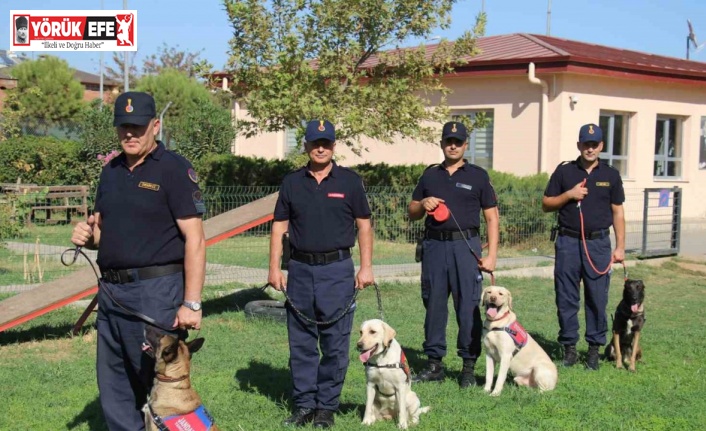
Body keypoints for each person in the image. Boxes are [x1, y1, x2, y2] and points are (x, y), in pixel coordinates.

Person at [70, 92, 206, 430]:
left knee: (160, 384)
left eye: (138, 127)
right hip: (112, 293)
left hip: (156, 291)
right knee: (114, 386)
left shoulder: (174, 169)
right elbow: (102, 233)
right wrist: (88, 236)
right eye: (123, 127)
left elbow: (195, 238)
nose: (130, 134)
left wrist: (191, 302)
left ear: (155, 126)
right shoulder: (111, 171)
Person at [268, 119, 374, 428]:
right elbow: (278, 227)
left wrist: (366, 267)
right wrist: (274, 267)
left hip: (337, 270)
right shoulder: (291, 182)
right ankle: (304, 404)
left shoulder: (350, 182)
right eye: (315, 143)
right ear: (306, 146)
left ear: (334, 145)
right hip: (299, 269)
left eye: (326, 143)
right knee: (301, 342)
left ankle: (326, 407)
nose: (321, 148)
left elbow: (364, 225)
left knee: (335, 343)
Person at [407, 121, 499, 388]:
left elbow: (492, 218)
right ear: (442, 144)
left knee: (468, 306)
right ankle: (434, 364)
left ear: (465, 145)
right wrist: (423, 204)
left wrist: (491, 255)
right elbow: (412, 211)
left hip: (465, 247)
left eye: (458, 141)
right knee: (434, 305)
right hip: (434, 247)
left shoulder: (478, 176)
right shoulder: (430, 176)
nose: (453, 145)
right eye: (449, 140)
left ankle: (468, 367)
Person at [542, 123, 625, 370]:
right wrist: (569, 195)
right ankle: (569, 348)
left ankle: (593, 349)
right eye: (586, 144)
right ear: (579, 145)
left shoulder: (611, 174)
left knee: (597, 297)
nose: (590, 149)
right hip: (568, 241)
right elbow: (546, 203)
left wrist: (620, 247)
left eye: (594, 144)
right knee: (566, 296)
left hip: (598, 243)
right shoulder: (564, 171)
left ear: (601, 146)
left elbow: (618, 212)